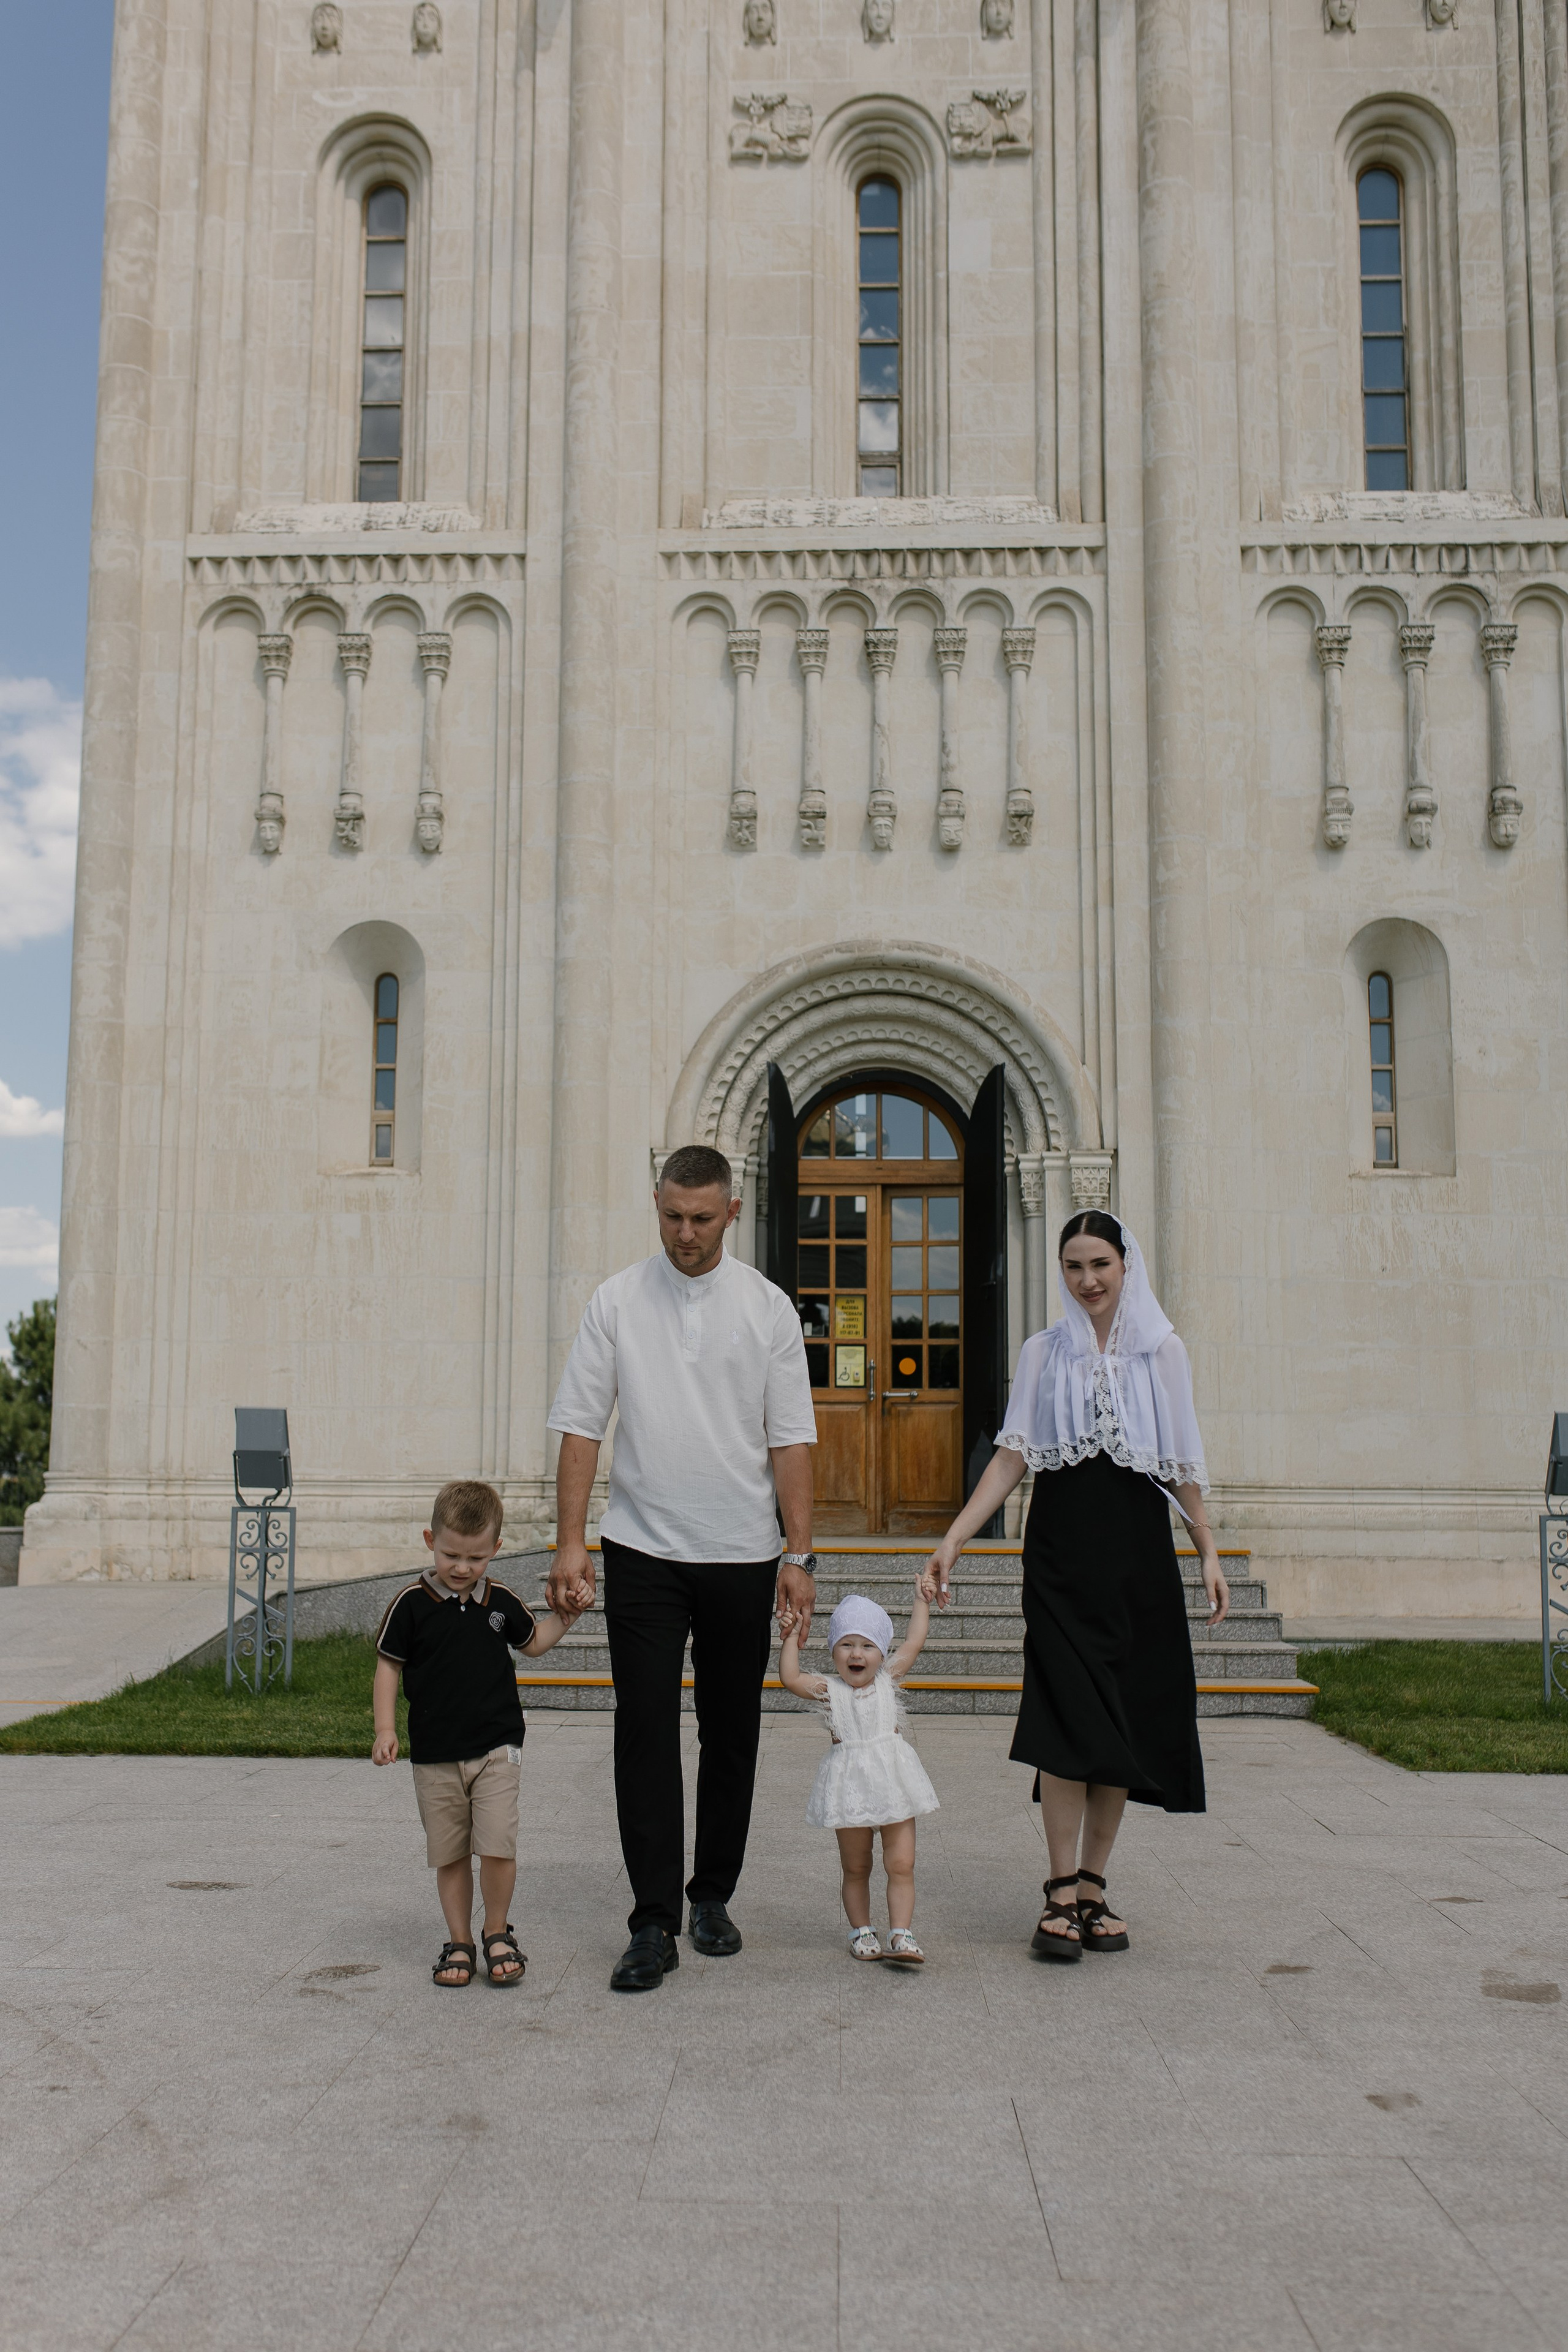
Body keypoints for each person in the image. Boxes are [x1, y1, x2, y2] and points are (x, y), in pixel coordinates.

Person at [546, 1143, 819, 1992]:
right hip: (643, 1550)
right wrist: (568, 1542)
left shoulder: (768, 1308)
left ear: (732, 1211)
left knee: (731, 1732)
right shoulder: (616, 1301)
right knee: (644, 1729)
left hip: (743, 1551)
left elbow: (791, 1439)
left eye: (702, 1218)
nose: (685, 1233)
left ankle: (712, 1899)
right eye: (671, 1216)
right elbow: (581, 1426)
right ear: (656, 1205)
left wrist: (799, 1554)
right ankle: (652, 1920)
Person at [922, 1210, 1227, 1963]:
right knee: (1063, 1716)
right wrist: (954, 1539)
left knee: (1116, 1717)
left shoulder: (1163, 1351)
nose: (1087, 1280)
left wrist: (1208, 1553)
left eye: (1100, 1264)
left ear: (1126, 1265)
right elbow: (1010, 1457)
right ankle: (1059, 1890)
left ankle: (1093, 1886)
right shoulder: (1042, 1352)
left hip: (1137, 1557)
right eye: (1073, 1266)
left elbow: (1181, 1463)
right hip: (1059, 1556)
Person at [371, 1479, 583, 1988]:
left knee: (498, 1845)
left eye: (476, 1558)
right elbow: (388, 1667)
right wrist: (385, 1729)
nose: (463, 1568)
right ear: (430, 1540)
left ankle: (496, 1932)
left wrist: (567, 1617)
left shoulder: (500, 1601)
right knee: (449, 1854)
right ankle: (460, 1941)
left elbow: (534, 1643)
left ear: (496, 1549)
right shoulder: (411, 1604)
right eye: (451, 1555)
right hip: (435, 1753)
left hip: (497, 1748)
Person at [779, 1588, 940, 1964]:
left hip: (895, 1786)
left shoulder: (887, 1679)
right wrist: (791, 1636)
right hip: (850, 1788)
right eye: (846, 1645)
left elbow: (914, 1642)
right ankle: (861, 1930)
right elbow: (790, 1677)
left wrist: (921, 1601)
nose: (856, 1654)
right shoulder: (829, 1691)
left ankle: (901, 1932)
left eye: (868, 1646)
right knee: (856, 1867)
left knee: (902, 1864)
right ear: (833, 1651)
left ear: (881, 1654)